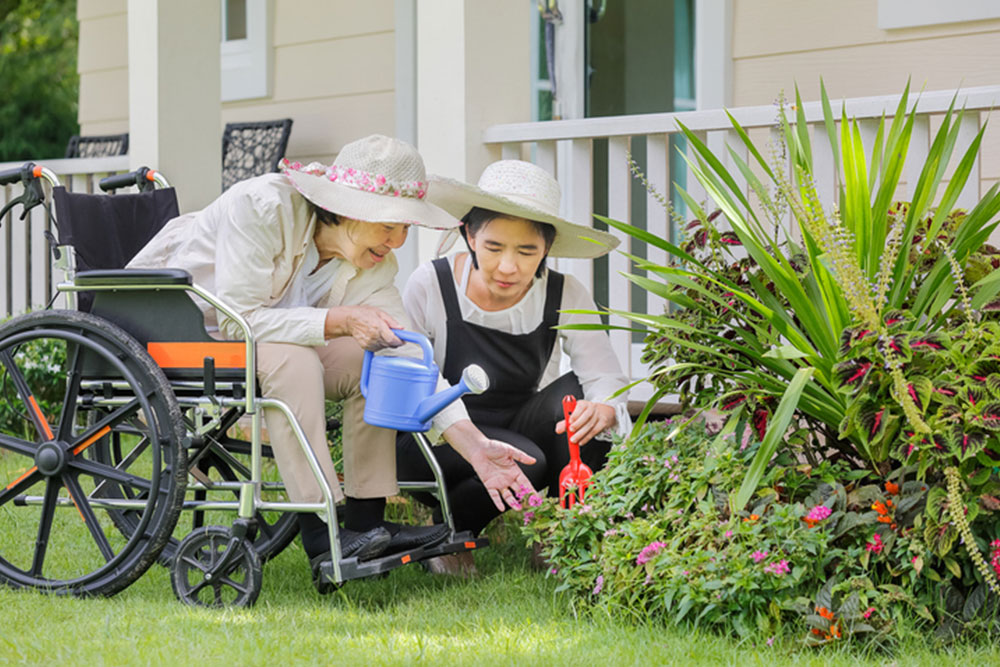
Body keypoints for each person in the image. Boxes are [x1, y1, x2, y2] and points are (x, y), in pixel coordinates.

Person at [127, 135, 536, 587]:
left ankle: (365, 522)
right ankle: (322, 534)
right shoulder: (263, 207)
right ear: (347, 208)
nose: (398, 241)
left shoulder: (373, 264)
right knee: (296, 360)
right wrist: (337, 319)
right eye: (390, 225)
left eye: (406, 229)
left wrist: (475, 445)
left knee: (382, 359)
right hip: (184, 332)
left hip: (262, 341)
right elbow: (237, 319)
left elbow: (409, 351)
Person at [397, 159, 631, 565]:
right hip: (434, 436)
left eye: (527, 251)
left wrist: (606, 407)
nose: (509, 266)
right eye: (493, 247)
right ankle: (452, 534)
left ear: (548, 248)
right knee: (530, 461)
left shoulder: (564, 293)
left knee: (580, 398)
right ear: (468, 235)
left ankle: (562, 532)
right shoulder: (431, 284)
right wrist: (468, 439)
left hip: (517, 422)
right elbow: (407, 379)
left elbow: (603, 373)